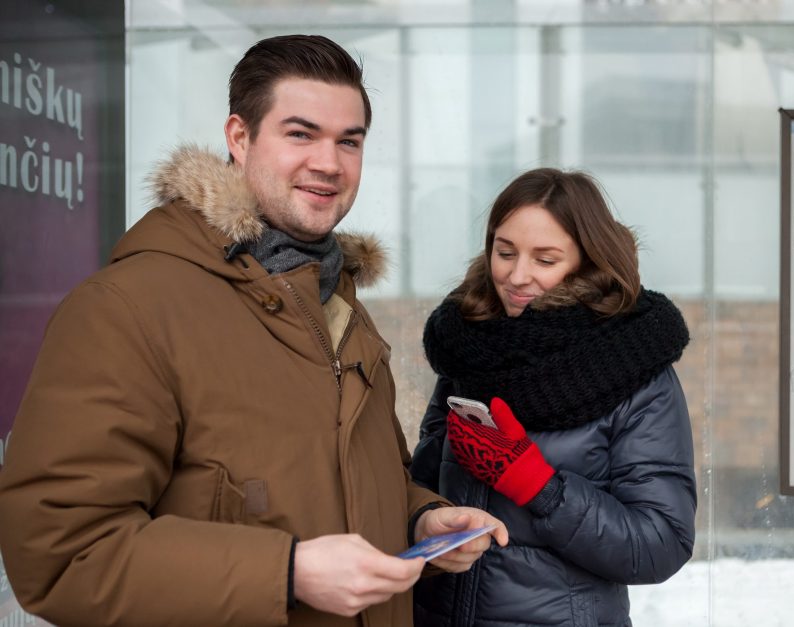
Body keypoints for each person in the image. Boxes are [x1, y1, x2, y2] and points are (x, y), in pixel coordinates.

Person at [0, 34, 507, 627]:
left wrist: (420, 518)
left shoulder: (340, 306)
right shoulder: (126, 309)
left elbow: (351, 481)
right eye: (301, 134)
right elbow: (62, 555)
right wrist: (286, 573)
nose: (329, 163)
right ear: (239, 138)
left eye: (350, 141)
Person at [409, 168, 697, 626]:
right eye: (505, 253)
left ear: (587, 261)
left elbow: (661, 544)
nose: (517, 276)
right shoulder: (472, 347)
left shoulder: (634, 366)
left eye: (545, 260)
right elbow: (421, 486)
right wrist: (426, 521)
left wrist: (540, 488)